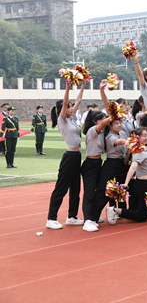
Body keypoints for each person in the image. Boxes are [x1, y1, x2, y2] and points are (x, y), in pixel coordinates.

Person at [46, 81, 86, 230]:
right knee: (61, 188)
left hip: (76, 157)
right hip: (69, 156)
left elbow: (79, 100)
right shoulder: (62, 120)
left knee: (75, 188)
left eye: (71, 106)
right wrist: (68, 85)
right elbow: (64, 103)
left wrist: (82, 85)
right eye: (69, 106)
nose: (71, 107)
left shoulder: (72, 118)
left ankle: (72, 216)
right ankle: (51, 218)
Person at [107, 127, 147, 224]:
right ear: (137, 138)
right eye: (144, 136)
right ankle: (114, 211)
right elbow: (132, 168)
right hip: (145, 185)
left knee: (135, 210)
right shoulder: (139, 152)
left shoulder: (144, 149)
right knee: (141, 217)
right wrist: (125, 183)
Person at [80, 81, 112, 232]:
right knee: (88, 193)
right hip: (90, 165)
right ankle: (87, 221)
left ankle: (92, 216)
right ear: (95, 121)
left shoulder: (102, 132)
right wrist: (112, 114)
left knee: (99, 191)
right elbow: (110, 117)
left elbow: (109, 113)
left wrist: (102, 90)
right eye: (102, 119)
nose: (104, 121)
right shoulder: (93, 130)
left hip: (98, 163)